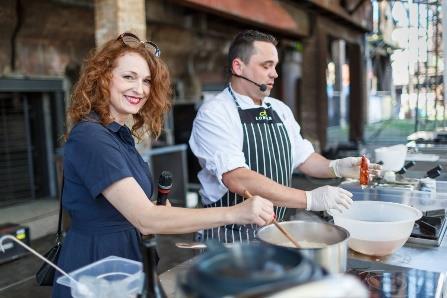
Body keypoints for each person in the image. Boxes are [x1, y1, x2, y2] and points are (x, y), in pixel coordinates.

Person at [52, 32, 274, 297]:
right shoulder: (91, 136)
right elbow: (145, 218)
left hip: (127, 258)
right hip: (98, 265)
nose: (140, 89)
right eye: (129, 77)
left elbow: (140, 211)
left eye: (146, 80)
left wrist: (162, 213)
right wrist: (237, 212)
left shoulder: (119, 135)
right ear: (103, 77)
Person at [189, 30, 381, 243]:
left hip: (274, 230)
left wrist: (336, 167)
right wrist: (309, 198)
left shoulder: (278, 109)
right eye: (266, 65)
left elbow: (304, 158)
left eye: (275, 66)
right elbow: (237, 178)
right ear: (238, 67)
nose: (275, 74)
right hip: (227, 238)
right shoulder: (215, 113)